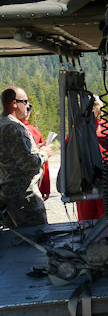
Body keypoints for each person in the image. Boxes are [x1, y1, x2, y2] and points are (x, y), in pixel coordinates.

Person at [0, 87, 51, 227]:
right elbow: (29, 163)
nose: (28, 106)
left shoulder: (2, 123)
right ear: (14, 104)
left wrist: (35, 148)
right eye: (25, 102)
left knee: (14, 243)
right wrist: (44, 153)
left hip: (6, 195)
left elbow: (10, 154)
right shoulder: (15, 127)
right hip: (24, 198)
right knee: (37, 240)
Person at [76, 95, 108, 220]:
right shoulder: (78, 129)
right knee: (86, 225)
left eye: (93, 106)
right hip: (85, 186)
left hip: (107, 184)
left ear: (99, 108)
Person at [20, 102, 51, 200]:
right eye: (26, 108)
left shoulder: (35, 130)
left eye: (29, 109)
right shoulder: (11, 128)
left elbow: (45, 163)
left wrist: (46, 187)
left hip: (37, 184)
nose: (27, 111)